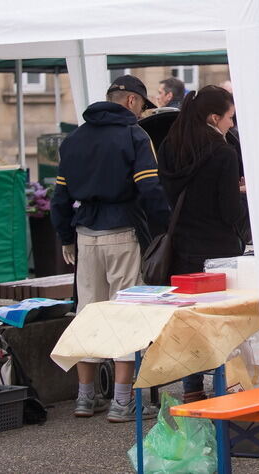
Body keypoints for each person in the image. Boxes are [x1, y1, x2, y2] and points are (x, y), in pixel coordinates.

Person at [50, 75, 170, 422]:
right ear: (132, 101)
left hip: (85, 234)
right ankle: (122, 402)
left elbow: (60, 198)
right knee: (127, 315)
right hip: (123, 232)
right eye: (142, 106)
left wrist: (65, 237)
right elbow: (150, 189)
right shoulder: (135, 135)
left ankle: (85, 398)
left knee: (88, 314)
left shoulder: (74, 138)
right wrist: (163, 229)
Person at [157, 85, 246, 402]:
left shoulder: (171, 147)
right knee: (223, 323)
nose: (231, 125)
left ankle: (192, 388)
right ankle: (229, 387)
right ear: (213, 117)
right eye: (230, 118)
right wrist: (241, 193)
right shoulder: (223, 153)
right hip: (219, 251)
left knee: (190, 322)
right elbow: (229, 212)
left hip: (182, 248)